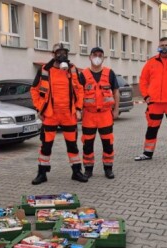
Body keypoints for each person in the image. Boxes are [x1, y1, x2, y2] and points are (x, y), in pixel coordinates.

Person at [30, 43, 88, 185]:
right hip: (50, 114)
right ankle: (42, 173)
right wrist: (40, 108)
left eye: (64, 52)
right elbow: (34, 90)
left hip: (69, 114)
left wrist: (79, 108)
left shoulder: (72, 69)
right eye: (59, 52)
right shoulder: (45, 70)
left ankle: (76, 171)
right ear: (53, 54)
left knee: (72, 145)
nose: (62, 55)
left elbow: (80, 90)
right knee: (46, 145)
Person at [79, 47, 120, 179]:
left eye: (100, 55)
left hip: (105, 115)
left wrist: (116, 109)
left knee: (108, 143)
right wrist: (78, 110)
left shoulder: (109, 73)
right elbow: (78, 94)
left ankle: (108, 169)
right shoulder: (83, 74)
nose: (97, 57)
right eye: (95, 55)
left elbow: (116, 91)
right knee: (87, 144)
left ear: (103, 58)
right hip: (89, 115)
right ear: (90, 57)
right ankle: (88, 169)